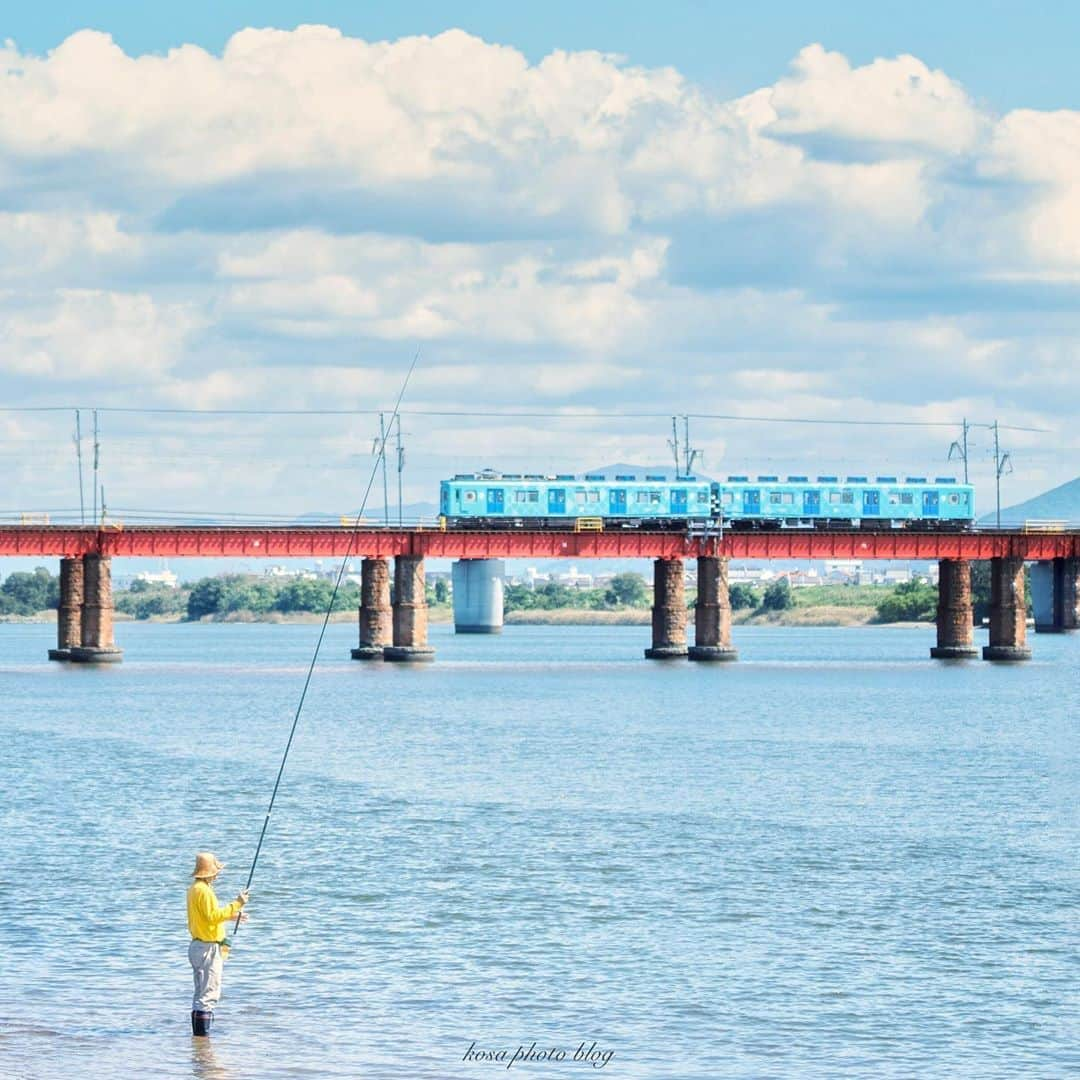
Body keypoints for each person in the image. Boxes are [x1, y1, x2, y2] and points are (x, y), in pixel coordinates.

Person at [187, 851, 250, 1037]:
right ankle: (203, 1040)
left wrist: (231, 916)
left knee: (200, 994)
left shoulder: (194, 889)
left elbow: (205, 919)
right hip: (207, 949)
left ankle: (199, 1042)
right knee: (208, 995)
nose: (217, 874)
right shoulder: (204, 891)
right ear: (209, 872)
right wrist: (237, 904)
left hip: (197, 946)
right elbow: (212, 917)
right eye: (216, 871)